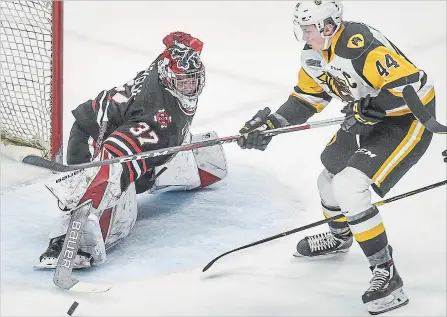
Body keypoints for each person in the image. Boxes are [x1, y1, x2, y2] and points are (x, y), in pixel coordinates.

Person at [237, 1, 436, 315]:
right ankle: (340, 237)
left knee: (349, 185)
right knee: (328, 178)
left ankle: (387, 275)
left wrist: (378, 107)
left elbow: (414, 86)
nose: (304, 35)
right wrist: (270, 125)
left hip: (405, 120)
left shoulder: (359, 46)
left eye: (309, 28)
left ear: (329, 26)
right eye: (301, 28)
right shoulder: (313, 54)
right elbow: (308, 97)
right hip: (365, 116)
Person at [36, 32, 227, 270]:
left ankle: (171, 167)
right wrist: (92, 192)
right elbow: (114, 159)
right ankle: (69, 239)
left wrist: (182, 43)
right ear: (168, 80)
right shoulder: (152, 121)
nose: (190, 88)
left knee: (157, 157)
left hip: (130, 124)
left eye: (194, 80)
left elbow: (179, 47)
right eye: (183, 82)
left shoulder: (167, 64)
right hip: (91, 135)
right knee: (111, 184)